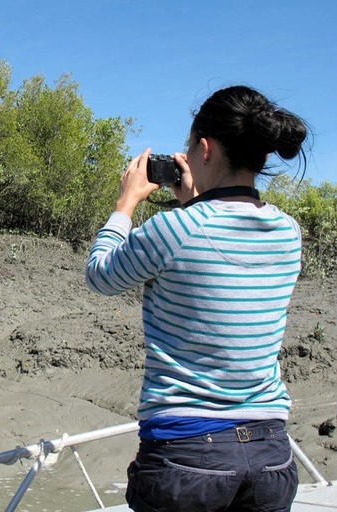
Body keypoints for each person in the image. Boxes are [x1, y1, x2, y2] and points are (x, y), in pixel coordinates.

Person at [85, 85, 309, 512]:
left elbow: (101, 276)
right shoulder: (288, 232)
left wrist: (125, 203)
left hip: (187, 454)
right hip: (271, 454)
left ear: (203, 149)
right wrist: (195, 202)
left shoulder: (178, 228)